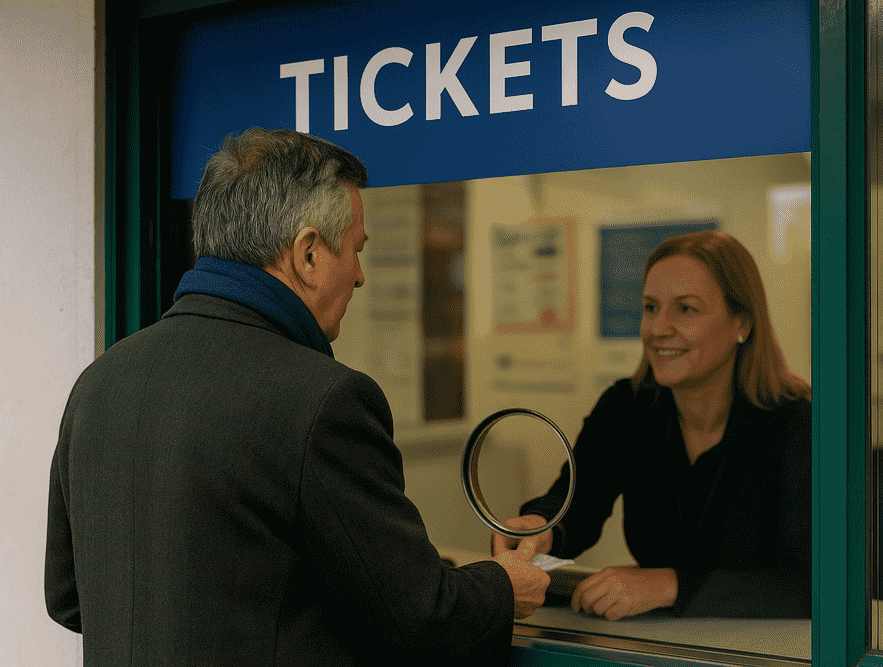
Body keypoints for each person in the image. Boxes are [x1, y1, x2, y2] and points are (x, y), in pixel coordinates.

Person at [45, 127, 550, 665]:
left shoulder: (100, 382)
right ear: (308, 254)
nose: (358, 276)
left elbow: (69, 598)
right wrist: (503, 585)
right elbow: (416, 618)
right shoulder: (323, 400)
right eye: (355, 251)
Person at [492, 230, 811, 620]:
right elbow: (577, 504)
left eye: (686, 309)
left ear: (741, 323)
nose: (658, 329)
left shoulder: (797, 424)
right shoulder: (627, 407)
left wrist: (667, 584)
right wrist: (542, 526)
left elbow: (808, 584)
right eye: (650, 307)